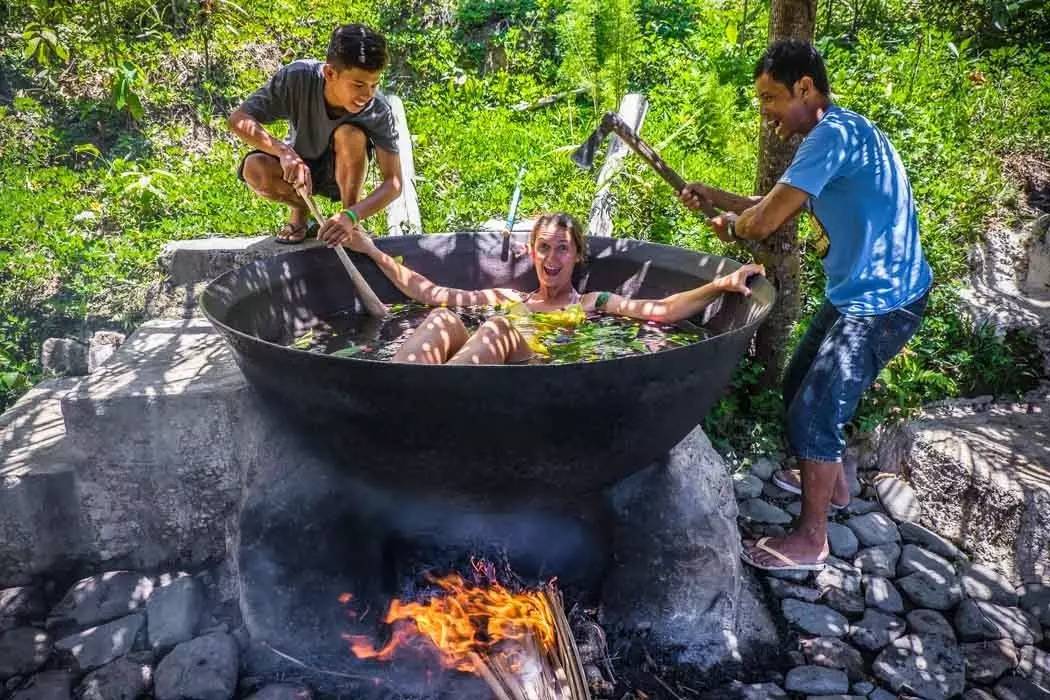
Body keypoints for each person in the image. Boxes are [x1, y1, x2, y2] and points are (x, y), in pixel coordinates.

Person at [679, 39, 933, 572]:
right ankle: (835, 487)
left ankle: (811, 539)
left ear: (805, 88)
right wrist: (718, 199)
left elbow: (765, 221)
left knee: (816, 410)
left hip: (883, 301)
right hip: (857, 293)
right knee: (798, 386)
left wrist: (733, 227)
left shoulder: (828, 136)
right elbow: (773, 203)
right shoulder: (842, 131)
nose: (766, 111)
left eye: (771, 98)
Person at [336, 213, 764, 365]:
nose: (553, 258)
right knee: (444, 317)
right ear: (532, 253)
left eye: (563, 249)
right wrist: (371, 250)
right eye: (544, 248)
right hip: (485, 372)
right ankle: (398, 394)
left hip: (540, 382)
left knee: (498, 330)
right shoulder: (511, 298)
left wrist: (719, 283)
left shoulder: (593, 302)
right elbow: (429, 291)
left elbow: (663, 311)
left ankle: (432, 401)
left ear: (578, 255)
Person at [229, 24, 401, 244]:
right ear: (330, 73)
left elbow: (393, 183)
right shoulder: (298, 78)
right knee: (254, 169)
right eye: (358, 84)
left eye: (374, 85)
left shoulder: (378, 109)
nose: (367, 94)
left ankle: (349, 225)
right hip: (299, 170)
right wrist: (283, 152)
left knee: (350, 135)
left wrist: (352, 215)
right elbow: (238, 119)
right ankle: (301, 212)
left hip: (341, 173)